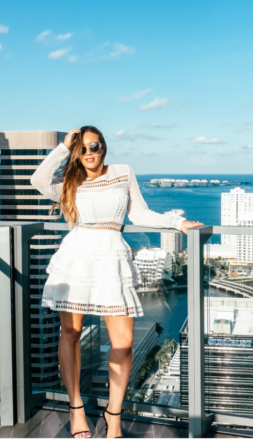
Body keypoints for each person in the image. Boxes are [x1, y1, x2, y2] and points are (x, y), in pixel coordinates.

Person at [30, 127, 203, 438]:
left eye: (93, 145)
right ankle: (76, 408)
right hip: (77, 256)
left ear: (104, 146)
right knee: (70, 333)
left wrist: (179, 223)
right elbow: (38, 181)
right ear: (76, 153)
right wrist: (62, 148)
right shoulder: (71, 182)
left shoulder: (123, 173)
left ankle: (113, 414)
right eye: (81, 149)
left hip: (111, 257)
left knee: (122, 342)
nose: (89, 152)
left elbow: (141, 214)